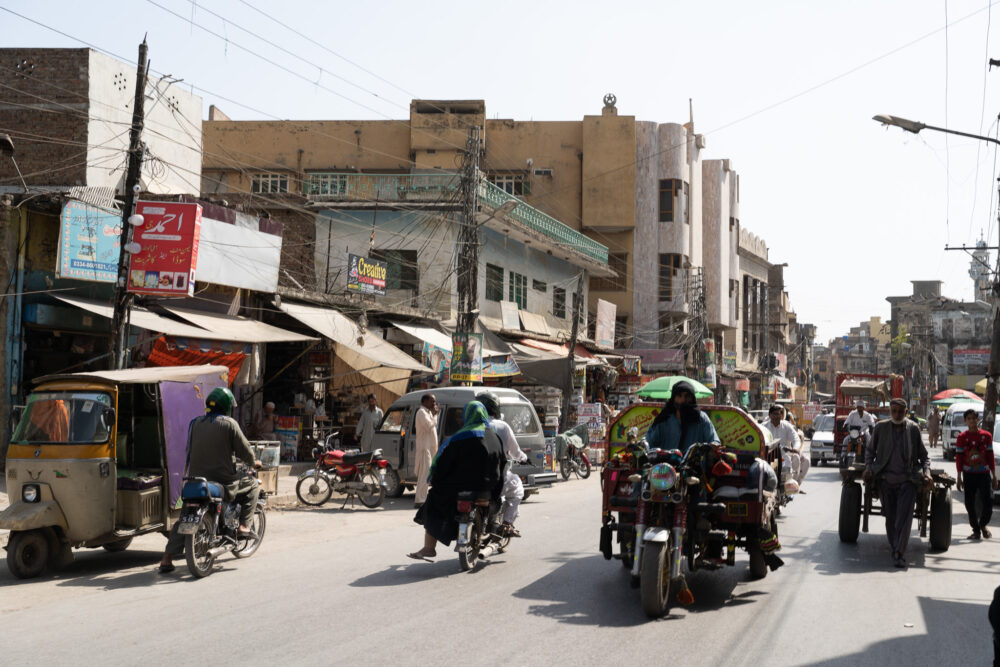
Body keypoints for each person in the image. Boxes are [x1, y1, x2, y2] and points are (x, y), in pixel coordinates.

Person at [159, 387, 261, 573]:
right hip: (224, 482)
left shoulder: (195, 423)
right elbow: (245, 451)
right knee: (252, 485)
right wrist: (254, 462)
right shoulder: (229, 424)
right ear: (227, 406)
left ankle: (167, 558)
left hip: (195, 481)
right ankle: (245, 525)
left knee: (184, 518)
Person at [407, 401, 505, 561]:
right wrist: (496, 491)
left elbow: (442, 464)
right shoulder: (494, 437)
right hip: (488, 489)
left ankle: (429, 547)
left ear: (467, 416)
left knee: (433, 500)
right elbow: (502, 465)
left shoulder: (459, 438)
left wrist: (436, 480)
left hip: (459, 490)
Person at [863, 398, 931, 568]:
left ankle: (899, 552)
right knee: (891, 518)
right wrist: (869, 467)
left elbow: (924, 457)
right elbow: (870, 452)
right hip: (885, 480)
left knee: (904, 517)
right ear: (890, 411)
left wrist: (927, 473)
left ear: (906, 412)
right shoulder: (880, 428)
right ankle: (896, 548)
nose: (897, 415)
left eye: (901, 412)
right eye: (894, 411)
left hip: (908, 480)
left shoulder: (913, 429)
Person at [476, 392, 528, 537]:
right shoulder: (501, 426)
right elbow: (515, 451)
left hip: (470, 478)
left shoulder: (468, 427)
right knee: (517, 489)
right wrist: (523, 458)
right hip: (495, 478)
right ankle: (507, 524)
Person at [955, 408, 998, 539]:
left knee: (989, 501)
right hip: (968, 475)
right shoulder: (961, 438)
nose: (972, 421)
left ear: (977, 419)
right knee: (969, 503)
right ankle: (976, 530)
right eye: (969, 419)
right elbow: (959, 458)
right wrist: (959, 477)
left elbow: (990, 456)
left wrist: (994, 475)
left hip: (984, 474)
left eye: (974, 418)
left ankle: (983, 524)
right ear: (965, 421)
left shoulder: (986, 436)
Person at [645, 381, 721, 452]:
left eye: (687, 396)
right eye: (679, 396)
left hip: (693, 465)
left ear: (692, 398)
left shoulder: (700, 418)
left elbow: (714, 441)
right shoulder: (663, 418)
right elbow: (647, 442)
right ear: (673, 398)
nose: (683, 400)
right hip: (666, 464)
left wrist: (712, 446)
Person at [763, 404, 809, 490]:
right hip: (768, 455)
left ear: (781, 415)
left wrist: (795, 448)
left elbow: (796, 439)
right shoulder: (764, 426)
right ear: (769, 415)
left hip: (784, 454)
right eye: (774, 414)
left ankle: (793, 485)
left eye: (779, 414)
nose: (777, 416)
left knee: (797, 459)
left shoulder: (787, 426)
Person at [413, 393, 439, 509]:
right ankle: (420, 500)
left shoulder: (428, 412)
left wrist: (434, 415)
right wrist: (435, 415)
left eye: (434, 401)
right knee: (424, 475)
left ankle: (422, 498)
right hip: (424, 449)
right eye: (432, 401)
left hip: (429, 448)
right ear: (425, 402)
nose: (434, 404)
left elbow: (433, 426)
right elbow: (429, 426)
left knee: (427, 474)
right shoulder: (421, 412)